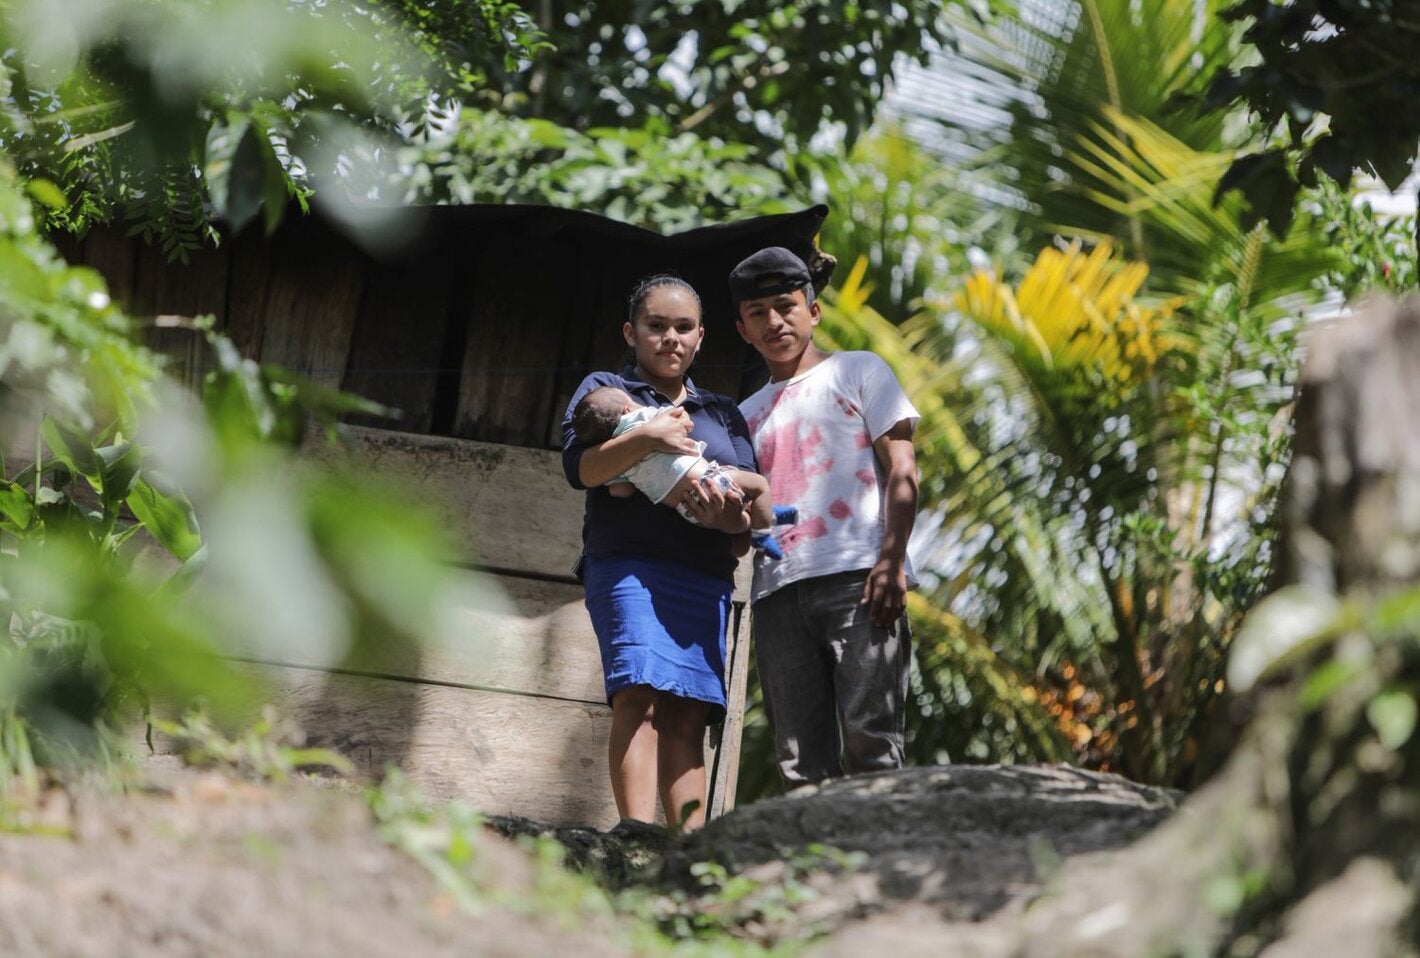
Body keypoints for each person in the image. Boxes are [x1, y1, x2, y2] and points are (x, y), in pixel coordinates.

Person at [561, 273, 756, 830]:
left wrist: (729, 523)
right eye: (656, 326)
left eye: (683, 327)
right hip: (630, 568)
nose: (670, 338)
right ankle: (636, 834)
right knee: (639, 694)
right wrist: (650, 437)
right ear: (631, 332)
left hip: (705, 575)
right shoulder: (607, 391)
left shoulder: (722, 413)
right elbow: (583, 470)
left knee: (690, 712)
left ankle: (689, 847)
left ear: (701, 338)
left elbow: (748, 521)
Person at [730, 246, 922, 789]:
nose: (774, 321)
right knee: (799, 762)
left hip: (858, 580)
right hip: (776, 592)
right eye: (757, 312)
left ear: (812, 311)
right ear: (741, 329)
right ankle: (818, 875)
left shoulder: (860, 370)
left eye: (785, 305)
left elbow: (903, 470)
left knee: (872, 740)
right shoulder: (743, 418)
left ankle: (884, 867)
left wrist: (890, 562)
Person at [570, 384, 795, 559]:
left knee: (740, 521)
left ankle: (761, 521)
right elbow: (684, 422)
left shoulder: (619, 456)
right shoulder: (645, 417)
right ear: (628, 409)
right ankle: (763, 531)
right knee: (758, 485)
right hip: (712, 480)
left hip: (688, 510)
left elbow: (621, 492)